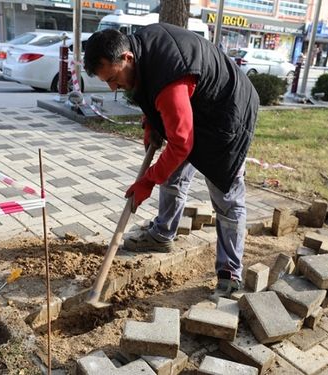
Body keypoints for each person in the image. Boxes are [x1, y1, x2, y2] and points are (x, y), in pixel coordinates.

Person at [83, 25, 259, 300]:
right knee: (173, 173)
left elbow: (181, 142)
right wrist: (150, 124)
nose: (113, 87)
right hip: (194, 105)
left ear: (127, 57)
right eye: (107, 81)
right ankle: (163, 234)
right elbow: (152, 98)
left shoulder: (168, 78)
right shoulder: (140, 53)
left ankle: (230, 273)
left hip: (227, 113)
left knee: (227, 197)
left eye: (114, 78)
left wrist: (148, 180)